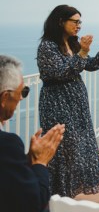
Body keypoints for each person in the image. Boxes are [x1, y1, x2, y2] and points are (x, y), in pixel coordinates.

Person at [37, 5, 99, 197]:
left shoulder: (72, 43)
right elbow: (61, 72)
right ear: (61, 21)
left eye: (80, 22)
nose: (79, 25)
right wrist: (83, 52)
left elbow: (90, 65)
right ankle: (58, 194)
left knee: (78, 148)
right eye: (75, 21)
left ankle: (69, 193)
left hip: (76, 105)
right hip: (57, 103)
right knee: (64, 149)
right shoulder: (48, 46)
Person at [0, 55, 65, 212]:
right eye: (22, 91)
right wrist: (40, 162)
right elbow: (33, 202)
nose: (21, 98)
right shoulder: (7, 145)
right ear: (5, 97)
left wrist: (26, 161)